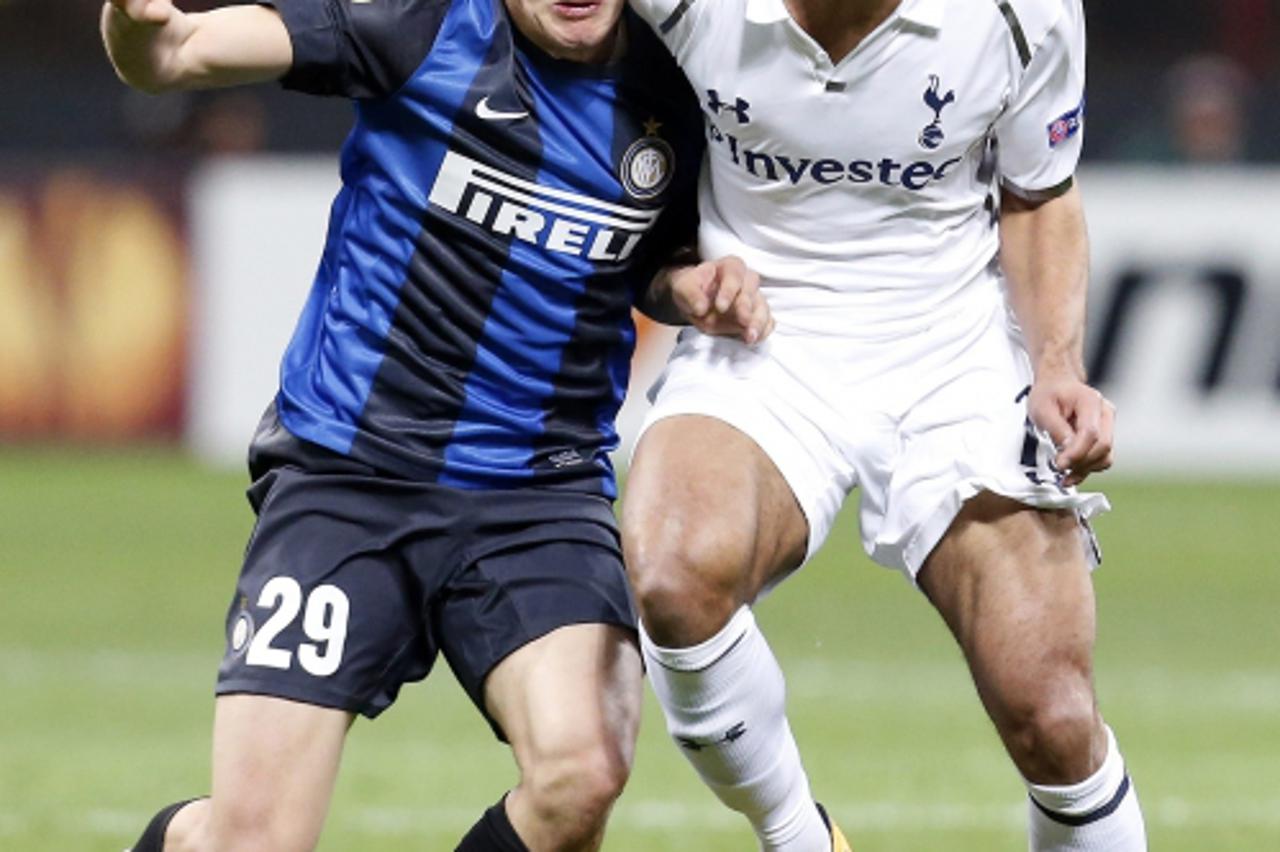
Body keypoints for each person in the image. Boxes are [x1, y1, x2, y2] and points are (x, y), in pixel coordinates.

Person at [101, 1, 773, 849]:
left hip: (540, 494)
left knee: (583, 771)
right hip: (351, 475)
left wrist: (693, 289)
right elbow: (174, 53)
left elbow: (653, 258)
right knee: (251, 840)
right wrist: (133, 19)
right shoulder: (416, 25)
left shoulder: (679, 82)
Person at [621, 1, 1148, 850]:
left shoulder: (1022, 13)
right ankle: (800, 838)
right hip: (766, 338)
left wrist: (1057, 365)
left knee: (1051, 714)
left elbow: (1038, 191)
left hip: (954, 349)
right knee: (672, 573)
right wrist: (680, 276)